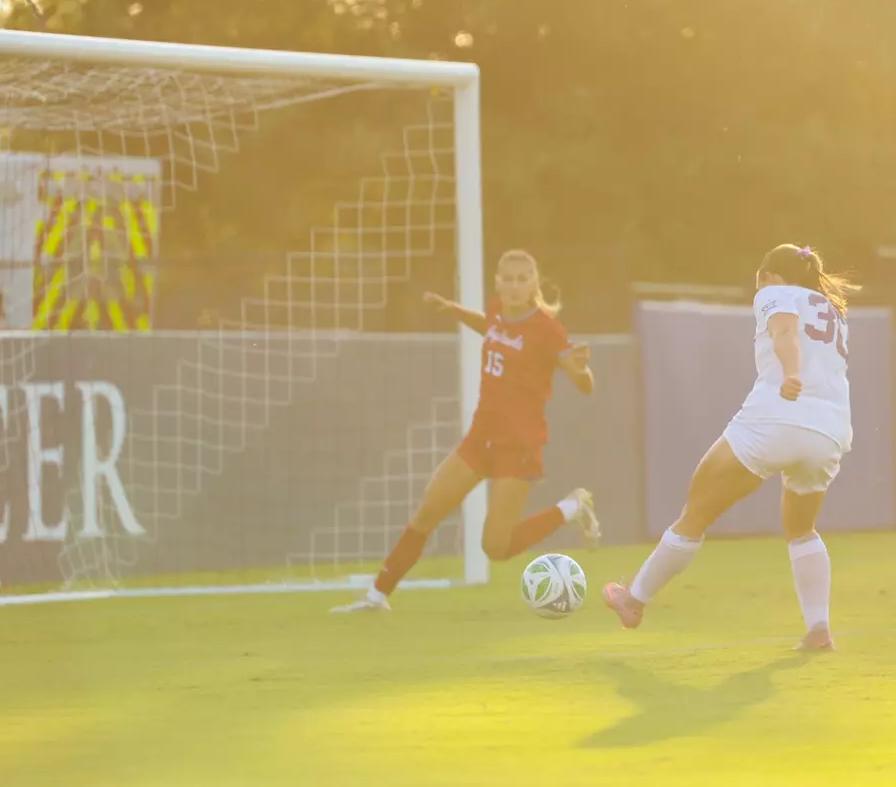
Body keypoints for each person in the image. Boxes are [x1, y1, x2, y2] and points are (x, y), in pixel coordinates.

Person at [602, 244, 856, 650]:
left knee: (695, 512)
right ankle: (819, 628)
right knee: (801, 528)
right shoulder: (833, 311)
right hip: (829, 431)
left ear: (768, 275)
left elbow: (785, 331)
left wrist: (791, 374)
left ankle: (633, 601)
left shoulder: (774, 292)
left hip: (776, 416)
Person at [332, 249, 600, 613]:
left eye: (523, 279)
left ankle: (572, 507)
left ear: (534, 284)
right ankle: (376, 598)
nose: (515, 286)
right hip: (480, 439)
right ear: (498, 283)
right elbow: (489, 325)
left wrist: (582, 370)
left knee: (495, 548)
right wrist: (453, 310)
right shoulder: (497, 311)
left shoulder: (548, 330)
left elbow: (584, 384)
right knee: (426, 514)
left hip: (518, 447)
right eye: (509, 279)